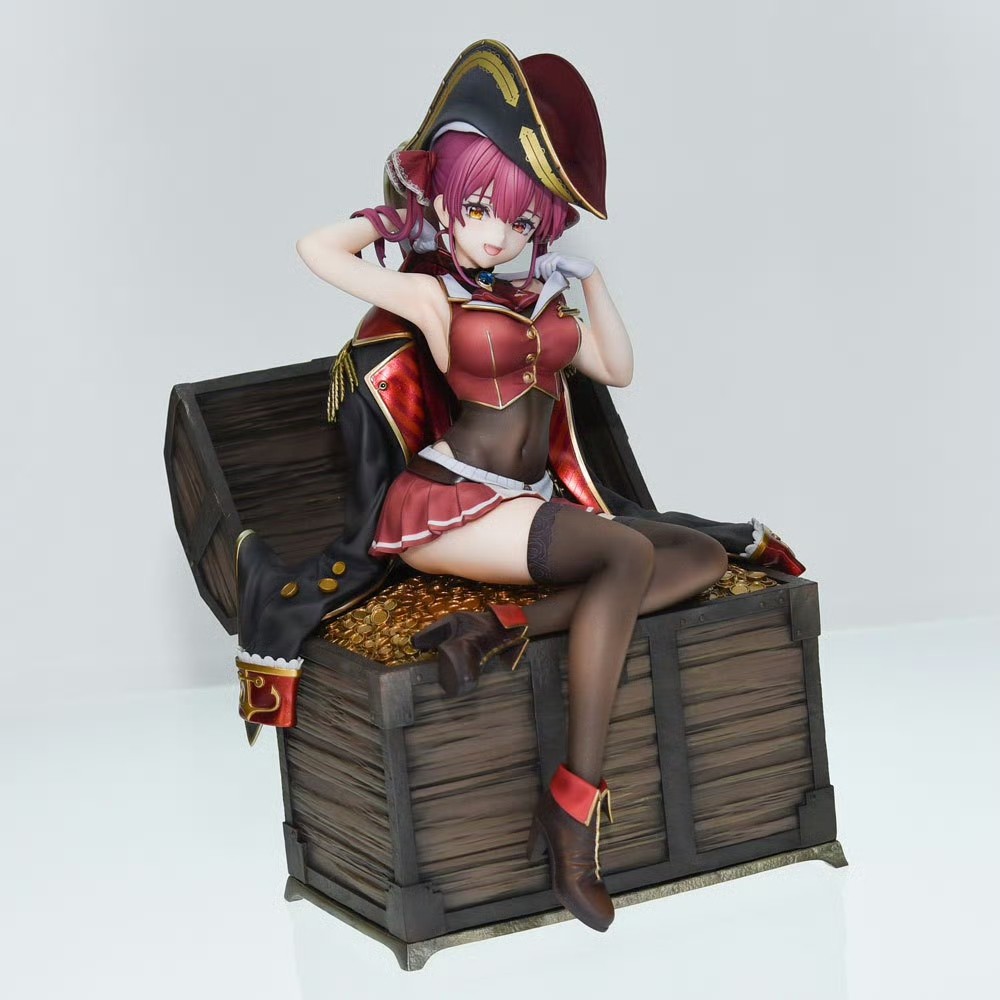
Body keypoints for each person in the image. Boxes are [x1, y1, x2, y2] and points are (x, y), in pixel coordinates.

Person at [235, 39, 805, 932]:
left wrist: (593, 284)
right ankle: (572, 809)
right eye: (475, 209)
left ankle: (497, 627)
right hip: (449, 505)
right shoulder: (430, 299)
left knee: (697, 554)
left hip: (530, 502)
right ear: (446, 206)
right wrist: (398, 218)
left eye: (518, 219)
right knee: (623, 556)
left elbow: (616, 369)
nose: (495, 235)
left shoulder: (540, 297)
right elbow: (316, 247)